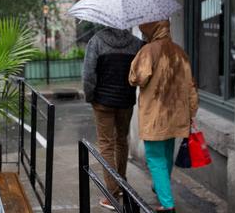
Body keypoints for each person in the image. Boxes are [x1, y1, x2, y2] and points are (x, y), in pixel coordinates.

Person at [129, 20, 198, 213]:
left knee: (155, 158)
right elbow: (191, 86)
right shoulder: (180, 52)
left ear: (150, 30)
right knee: (166, 155)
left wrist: (136, 61)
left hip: (155, 115)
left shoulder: (148, 51)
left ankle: (167, 205)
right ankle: (160, 187)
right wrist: (191, 112)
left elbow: (136, 78)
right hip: (177, 114)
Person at [83, 27, 144, 210]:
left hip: (102, 101)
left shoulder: (97, 41)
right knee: (121, 141)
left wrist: (89, 96)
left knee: (106, 145)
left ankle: (111, 194)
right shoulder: (136, 43)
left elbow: (88, 74)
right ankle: (121, 183)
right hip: (125, 101)